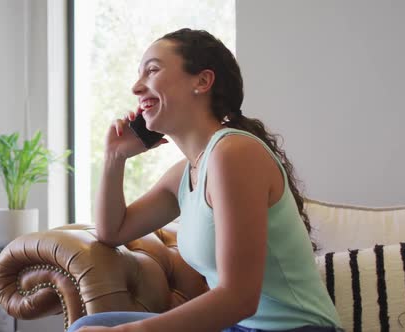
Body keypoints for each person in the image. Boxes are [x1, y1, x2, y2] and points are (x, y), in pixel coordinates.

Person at [68, 28, 343, 332]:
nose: (136, 87)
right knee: (91, 325)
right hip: (237, 328)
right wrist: (114, 158)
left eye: (152, 70)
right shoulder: (185, 173)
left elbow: (239, 298)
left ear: (202, 81)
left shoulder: (234, 153)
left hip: (293, 329)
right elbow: (113, 231)